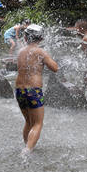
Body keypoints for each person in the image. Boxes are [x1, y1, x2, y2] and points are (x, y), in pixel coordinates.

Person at [15, 25, 59, 153]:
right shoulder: (40, 52)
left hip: (19, 90)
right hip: (33, 90)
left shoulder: (21, 51)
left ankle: (27, 145)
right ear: (40, 38)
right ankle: (27, 151)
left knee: (28, 121)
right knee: (38, 123)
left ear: (25, 37)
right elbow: (55, 68)